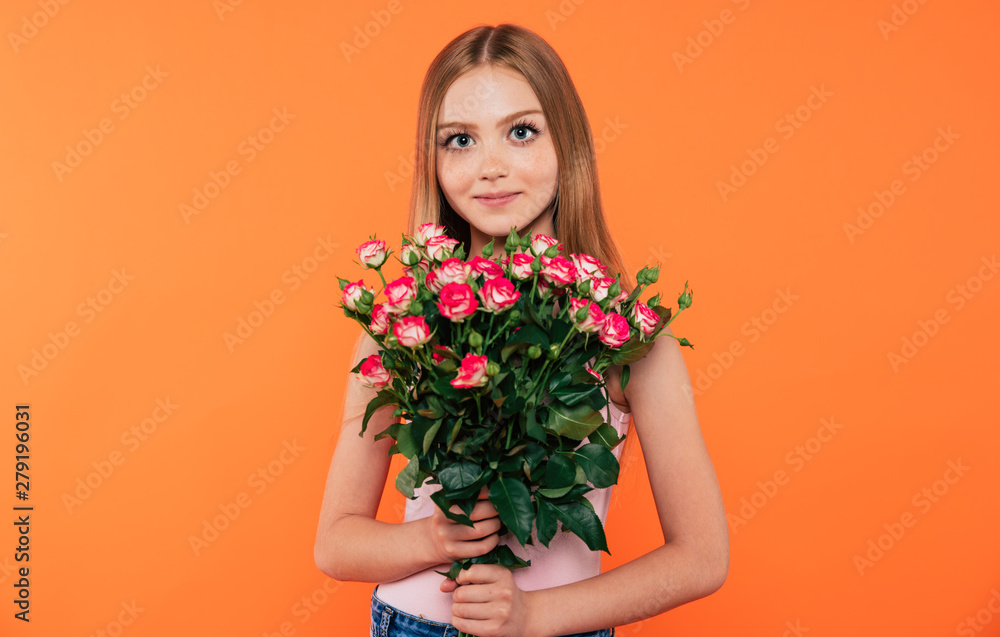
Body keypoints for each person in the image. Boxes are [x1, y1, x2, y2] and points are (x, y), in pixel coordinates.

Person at [314, 23, 729, 637]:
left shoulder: (631, 344)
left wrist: (537, 614)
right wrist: (435, 536)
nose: (491, 167)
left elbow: (703, 557)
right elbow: (335, 544)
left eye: (521, 131)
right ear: (433, 160)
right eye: (459, 139)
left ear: (569, 145)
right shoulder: (399, 336)